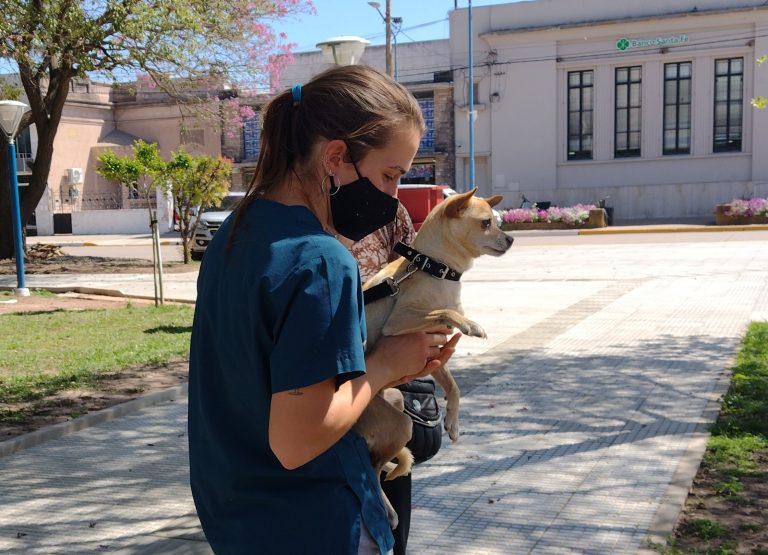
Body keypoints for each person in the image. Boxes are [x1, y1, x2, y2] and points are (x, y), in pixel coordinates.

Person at [187, 65, 461, 555]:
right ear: (336, 157)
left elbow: (265, 379)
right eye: (390, 175)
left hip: (239, 513)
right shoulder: (321, 259)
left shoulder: (237, 232)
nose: (394, 196)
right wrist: (385, 366)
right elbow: (298, 439)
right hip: (313, 520)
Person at [349, 202, 442, 555]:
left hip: (385, 396)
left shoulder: (391, 213)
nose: (392, 189)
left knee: (391, 528)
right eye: (389, 174)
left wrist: (423, 340)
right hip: (333, 406)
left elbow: (420, 286)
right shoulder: (299, 224)